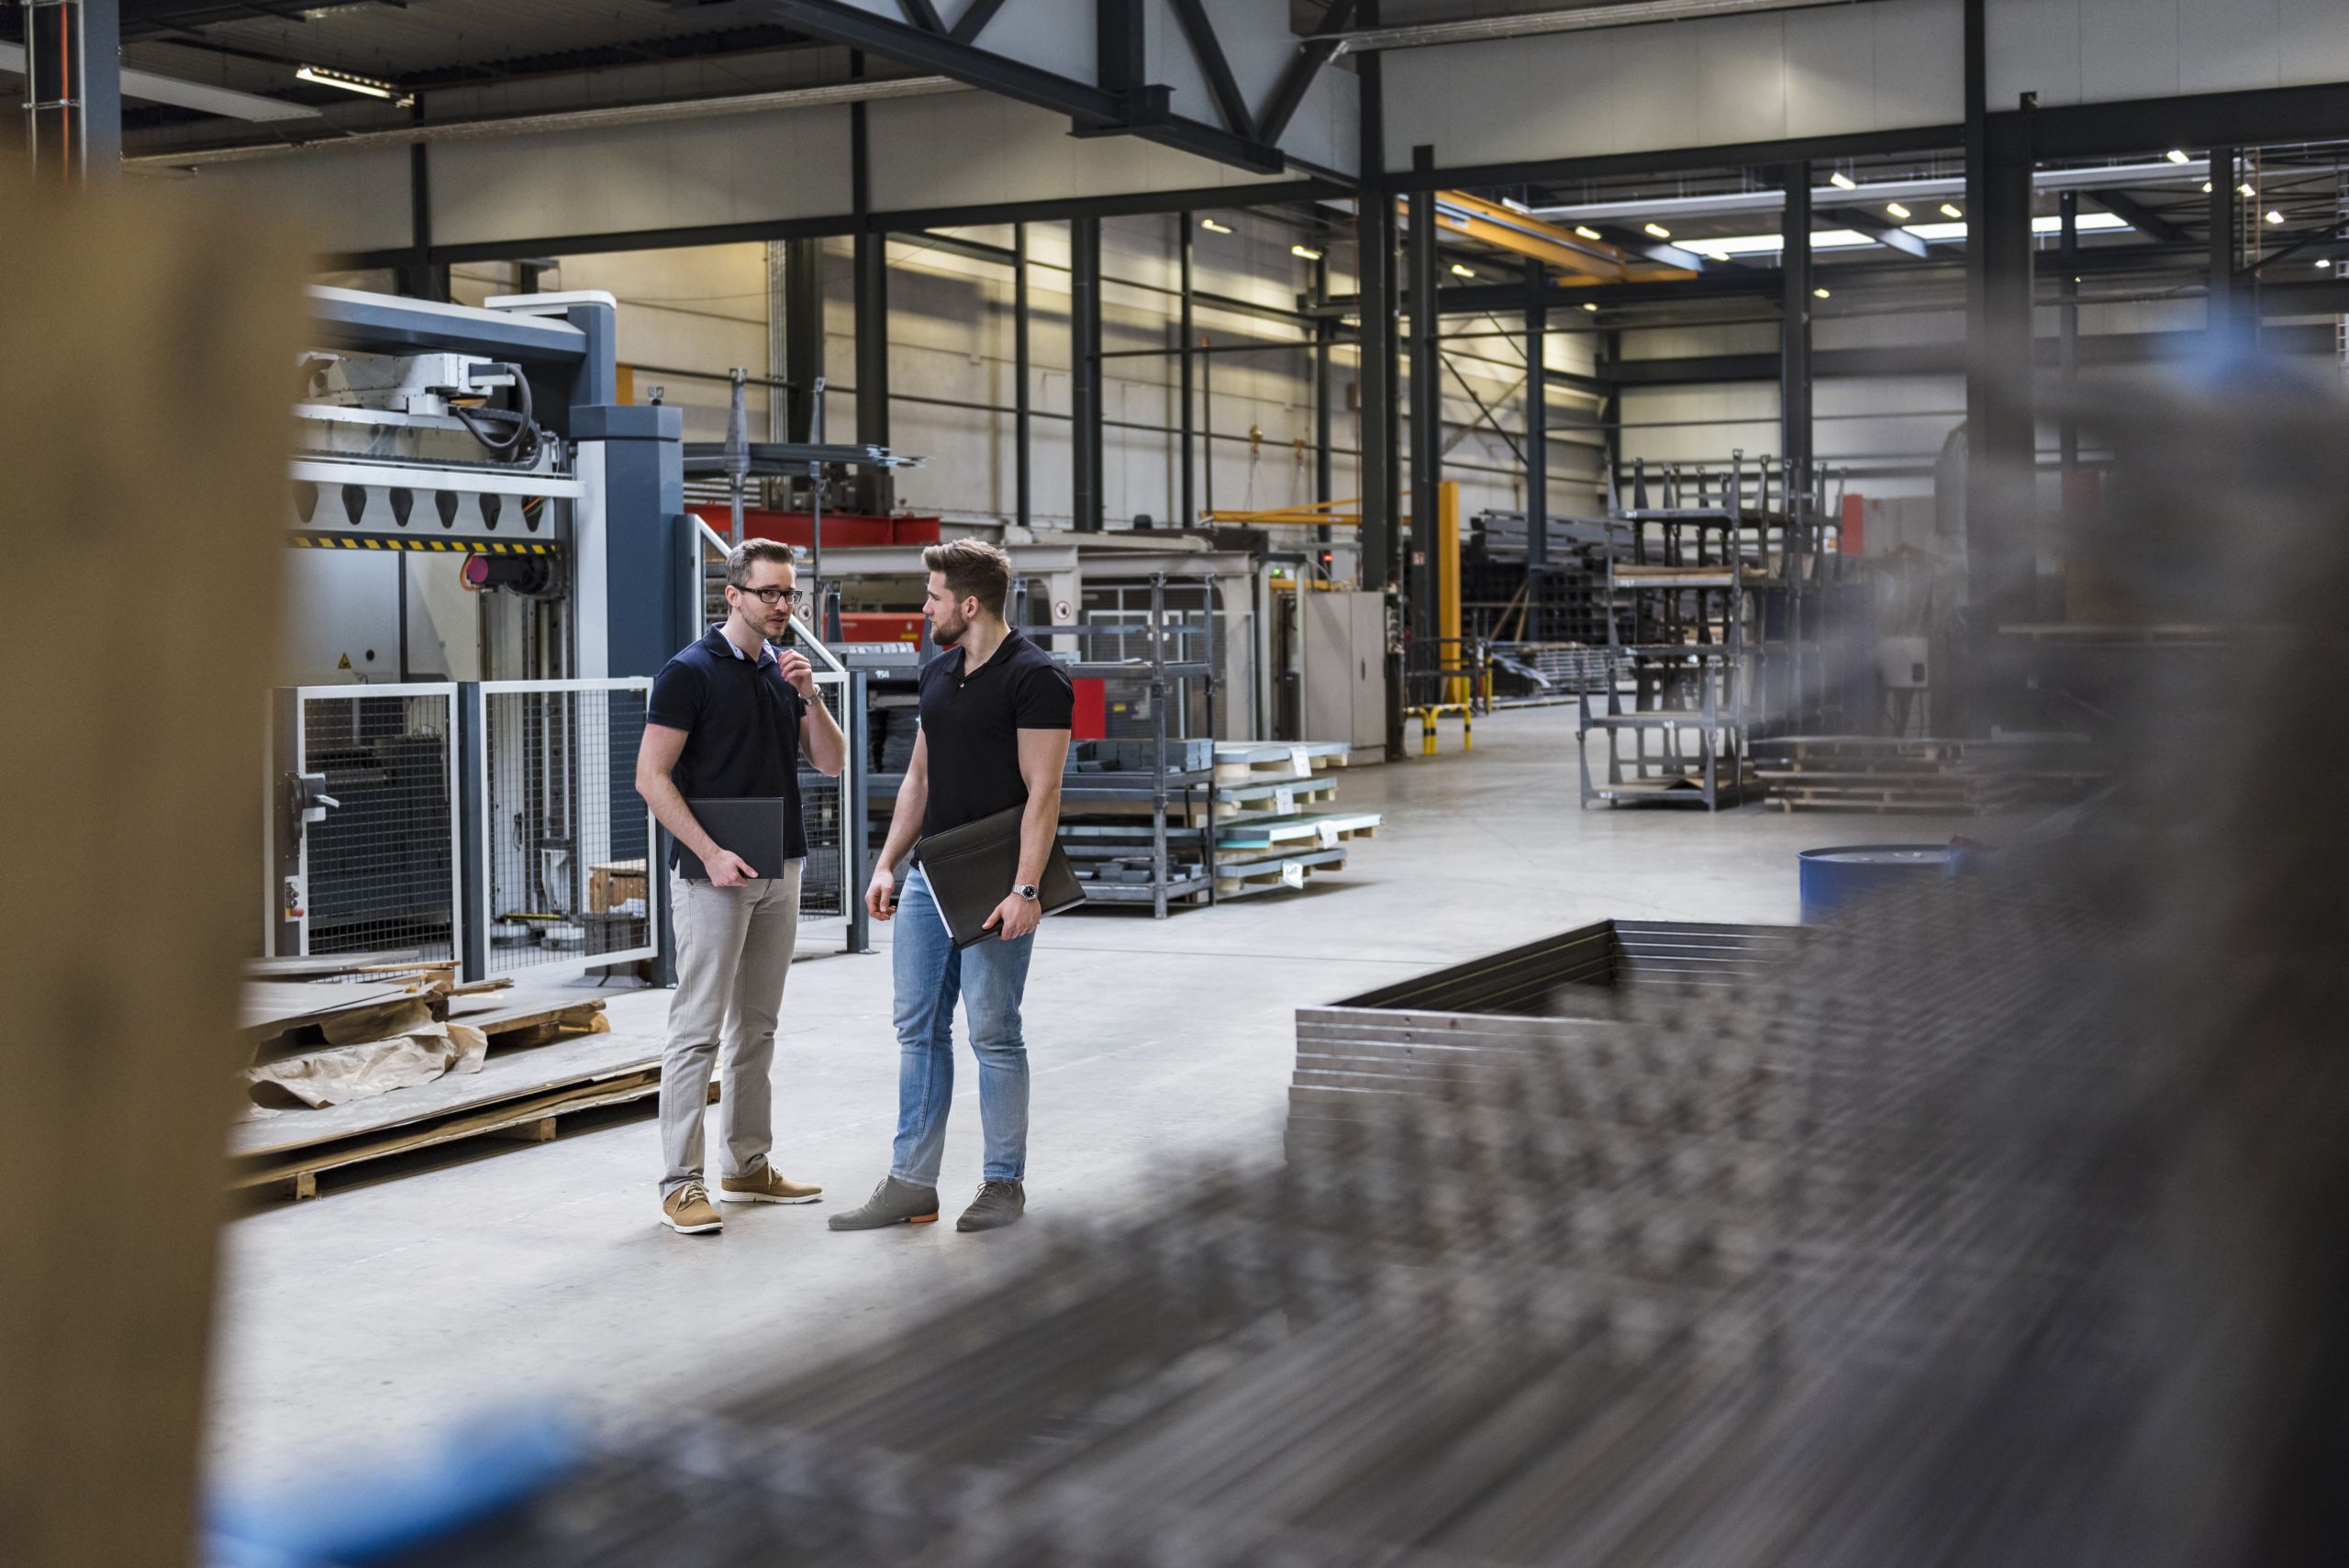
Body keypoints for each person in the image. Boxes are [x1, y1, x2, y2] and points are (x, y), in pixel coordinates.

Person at [832, 539, 1073, 1234]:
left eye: (934, 596)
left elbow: (1044, 791)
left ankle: (1003, 1182)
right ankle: (912, 1181)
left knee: (994, 1032)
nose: (924, 606)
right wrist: (886, 862)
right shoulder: (938, 671)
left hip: (998, 880)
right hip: (928, 878)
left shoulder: (1036, 678)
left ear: (970, 604)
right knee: (917, 1030)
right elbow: (919, 778)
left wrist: (1026, 889)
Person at [636, 538, 846, 1235]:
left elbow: (833, 762)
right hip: (712, 876)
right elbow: (652, 778)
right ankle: (680, 1182)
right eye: (770, 593)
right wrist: (710, 851)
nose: (784, 605)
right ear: (733, 595)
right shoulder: (688, 673)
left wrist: (810, 695)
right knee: (697, 1029)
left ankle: (747, 1166)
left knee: (757, 1027)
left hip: (781, 865)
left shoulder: (782, 674)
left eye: (790, 593)